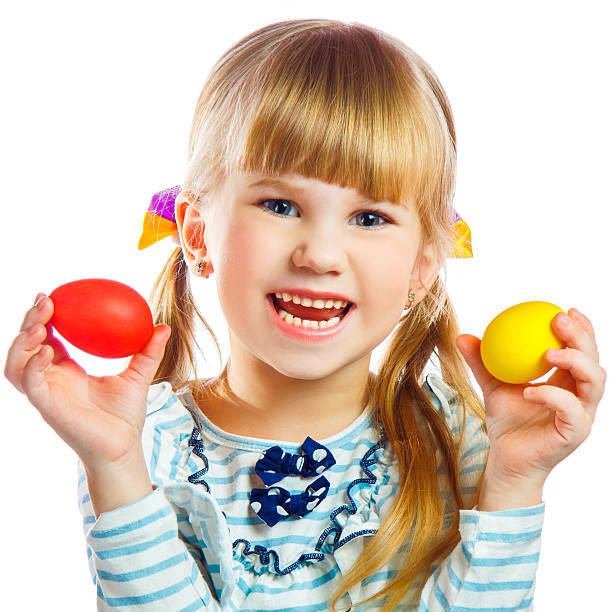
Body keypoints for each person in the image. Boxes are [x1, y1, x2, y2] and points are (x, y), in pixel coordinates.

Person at [4, 18, 606, 612]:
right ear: (197, 232)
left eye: (369, 218)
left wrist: (515, 485)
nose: (318, 255)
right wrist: (113, 468)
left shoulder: (459, 441)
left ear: (423, 265)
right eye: (279, 203)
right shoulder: (138, 443)